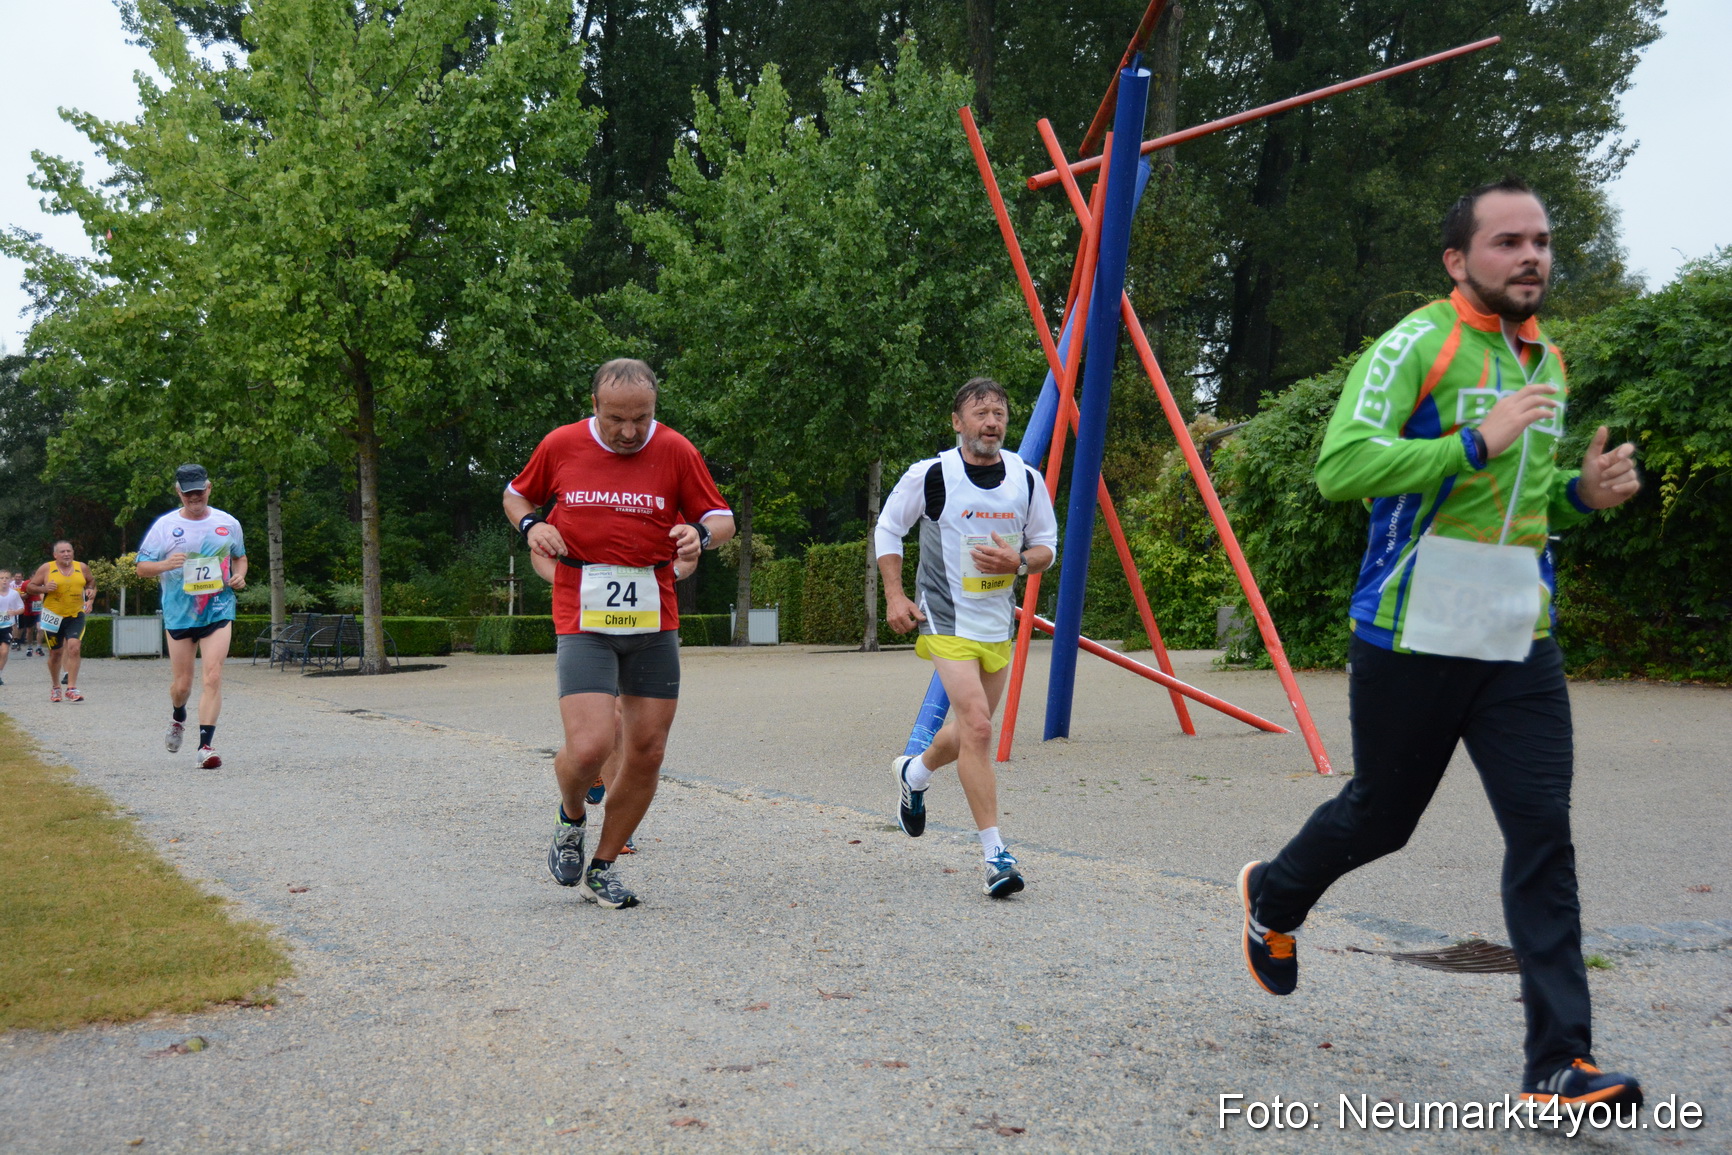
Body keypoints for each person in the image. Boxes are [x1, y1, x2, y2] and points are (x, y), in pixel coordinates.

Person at [1236, 178, 1645, 1108]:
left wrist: (1584, 496)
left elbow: (1524, 506)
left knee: (1542, 831)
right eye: (1507, 242)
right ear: (1459, 260)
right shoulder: (1420, 342)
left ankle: (1560, 1063)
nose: (1531, 255)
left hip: (1517, 635)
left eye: (1540, 239)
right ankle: (1274, 894)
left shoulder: (1549, 360)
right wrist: (1471, 441)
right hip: (1414, 630)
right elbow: (1340, 466)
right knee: (1383, 814)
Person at [503, 358, 733, 909]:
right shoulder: (561, 444)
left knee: (648, 751)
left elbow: (722, 516)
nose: (630, 432)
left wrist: (698, 534)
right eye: (616, 420)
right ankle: (571, 816)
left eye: (642, 418)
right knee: (590, 748)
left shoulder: (676, 450)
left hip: (654, 620)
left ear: (655, 408)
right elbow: (516, 495)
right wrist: (534, 526)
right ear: (595, 408)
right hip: (583, 617)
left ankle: (603, 866)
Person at [876, 377, 1058, 899]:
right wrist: (894, 595)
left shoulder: (1025, 478)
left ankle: (914, 772)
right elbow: (888, 528)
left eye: (999, 412)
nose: (991, 422)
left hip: (996, 623)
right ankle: (995, 855)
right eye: (980, 413)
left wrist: (1019, 561)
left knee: (968, 731)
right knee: (978, 726)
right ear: (958, 422)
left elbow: (1047, 546)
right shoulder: (932, 474)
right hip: (944, 617)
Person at [135, 464, 248, 769]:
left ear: (209, 488)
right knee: (182, 685)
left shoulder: (227, 523)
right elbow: (141, 567)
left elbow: (240, 555)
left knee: (213, 675)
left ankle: (205, 747)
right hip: (180, 614)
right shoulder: (164, 526)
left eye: (199, 491)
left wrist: (239, 576)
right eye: (188, 493)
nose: (195, 497)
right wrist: (165, 564)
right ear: (179, 492)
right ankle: (177, 715)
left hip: (219, 608)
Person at [26, 541, 96, 702]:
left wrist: (90, 590)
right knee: (55, 653)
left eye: (69, 551)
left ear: (73, 552)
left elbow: (91, 581)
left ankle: (71, 688)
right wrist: (44, 589)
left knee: (74, 647)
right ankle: (56, 686)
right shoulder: (47, 568)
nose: (66, 554)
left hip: (75, 614)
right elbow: (30, 587)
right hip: (53, 615)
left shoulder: (82, 567)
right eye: (62, 552)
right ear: (55, 555)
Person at [0, 569, 21, 685]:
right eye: (1, 578)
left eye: (6, 578)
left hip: (7, 626)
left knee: (4, 651)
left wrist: (15, 612)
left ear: (10, 579)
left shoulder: (14, 594)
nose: (4, 580)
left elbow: (21, 608)